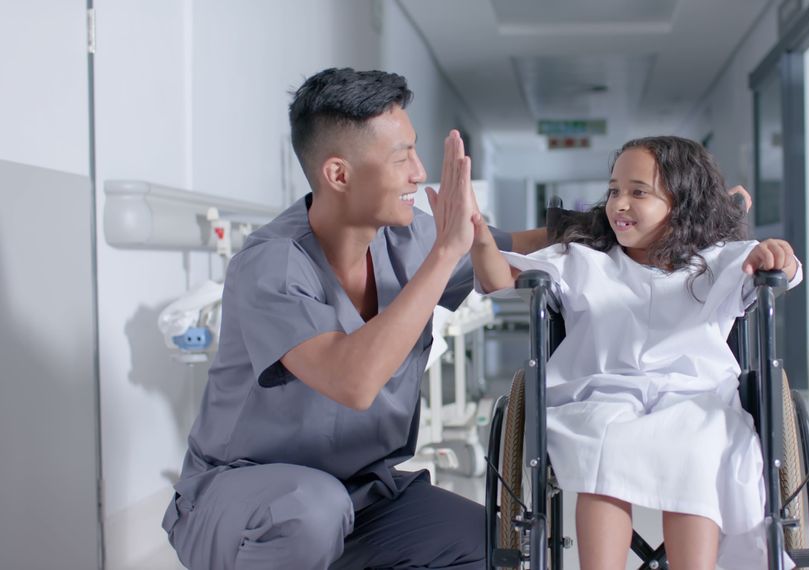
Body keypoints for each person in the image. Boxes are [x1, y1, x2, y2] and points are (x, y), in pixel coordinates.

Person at [161, 68, 544, 570]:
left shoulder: (409, 240)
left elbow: (520, 247)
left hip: (363, 498)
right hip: (242, 504)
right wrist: (448, 250)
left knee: (491, 546)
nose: (418, 171)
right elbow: (354, 382)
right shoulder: (271, 264)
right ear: (338, 174)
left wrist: (623, 222)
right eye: (401, 155)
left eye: (415, 150)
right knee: (310, 511)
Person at [470, 136, 801, 569]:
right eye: (613, 191)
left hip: (694, 398)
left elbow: (785, 271)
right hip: (601, 393)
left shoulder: (719, 260)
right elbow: (497, 278)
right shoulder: (585, 258)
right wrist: (475, 232)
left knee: (699, 447)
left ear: (681, 203)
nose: (619, 204)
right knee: (606, 447)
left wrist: (779, 254)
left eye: (638, 192)